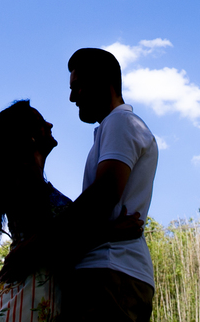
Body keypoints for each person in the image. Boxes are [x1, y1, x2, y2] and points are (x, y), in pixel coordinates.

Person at [0, 100, 142, 322]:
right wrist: (112, 232)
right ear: (31, 136)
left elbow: (53, 237)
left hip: (33, 297)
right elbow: (54, 243)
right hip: (27, 299)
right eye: (40, 121)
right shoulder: (24, 181)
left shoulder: (31, 182)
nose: (50, 124)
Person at [65, 47, 158, 322]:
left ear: (103, 83)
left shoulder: (121, 121)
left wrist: (39, 245)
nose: (72, 97)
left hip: (110, 272)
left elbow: (102, 197)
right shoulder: (112, 126)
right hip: (111, 271)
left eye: (77, 86)